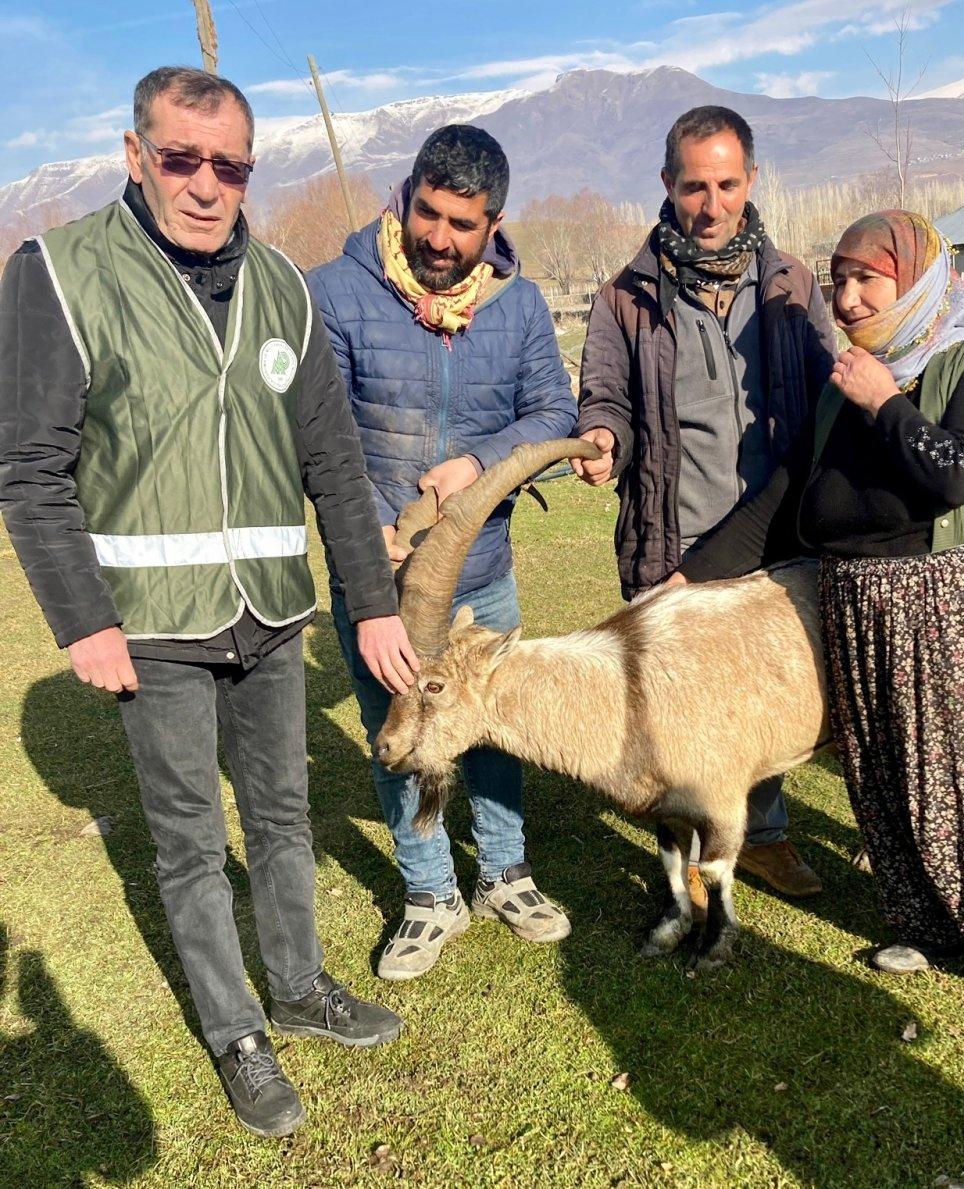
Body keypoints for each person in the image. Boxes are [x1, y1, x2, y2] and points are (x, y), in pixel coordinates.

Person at [0, 66, 417, 1137]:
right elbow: (30, 468)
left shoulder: (282, 282)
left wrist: (371, 602)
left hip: (274, 612)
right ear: (135, 153)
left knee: (282, 818)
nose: (205, 185)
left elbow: (330, 452)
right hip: (153, 628)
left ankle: (298, 986)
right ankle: (237, 1032)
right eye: (181, 159)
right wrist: (84, 618)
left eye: (229, 165)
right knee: (189, 841)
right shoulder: (60, 272)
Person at [674, 210, 964, 1031]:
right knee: (887, 776)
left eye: (867, 280)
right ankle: (927, 923)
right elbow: (785, 497)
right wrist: (683, 581)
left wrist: (885, 401)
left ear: (915, 280)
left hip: (948, 601)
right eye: (838, 279)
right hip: (857, 602)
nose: (847, 298)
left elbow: (955, 477)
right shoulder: (847, 379)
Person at [308, 125, 578, 981]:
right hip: (380, 579)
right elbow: (324, 441)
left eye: (462, 225)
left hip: (483, 575)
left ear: (493, 222)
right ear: (407, 194)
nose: (439, 238)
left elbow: (553, 413)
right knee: (399, 730)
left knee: (491, 726)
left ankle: (506, 871)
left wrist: (480, 460)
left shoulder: (521, 306)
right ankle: (430, 892)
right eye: (428, 213)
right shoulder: (337, 295)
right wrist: (369, 564)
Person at [572, 106, 835, 909]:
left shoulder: (792, 283)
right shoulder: (625, 296)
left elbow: (828, 394)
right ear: (667, 186)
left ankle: (763, 839)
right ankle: (685, 851)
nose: (711, 203)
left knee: (764, 700)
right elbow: (604, 393)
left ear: (751, 181)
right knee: (678, 717)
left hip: (777, 540)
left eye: (727, 184)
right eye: (694, 186)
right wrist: (601, 435)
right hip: (675, 541)